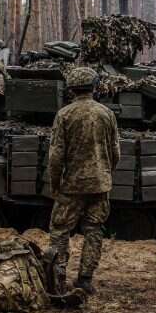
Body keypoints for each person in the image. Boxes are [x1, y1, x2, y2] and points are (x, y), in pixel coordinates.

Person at [45, 66, 121, 295]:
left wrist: (55, 183)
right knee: (94, 230)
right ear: (94, 87)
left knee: (60, 230)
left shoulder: (65, 114)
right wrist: (106, 173)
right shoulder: (106, 114)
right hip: (99, 184)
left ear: (71, 88)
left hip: (72, 185)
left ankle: (57, 280)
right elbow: (116, 151)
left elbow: (56, 155)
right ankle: (85, 279)